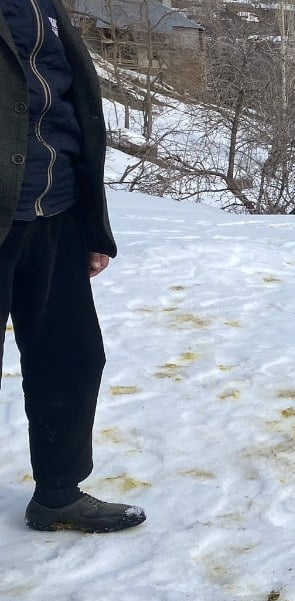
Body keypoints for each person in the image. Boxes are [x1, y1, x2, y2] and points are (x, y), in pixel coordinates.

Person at [1, 0, 146, 532]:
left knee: (72, 358)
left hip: (54, 212)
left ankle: (58, 495)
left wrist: (91, 222)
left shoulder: (44, 6)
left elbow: (73, 112)